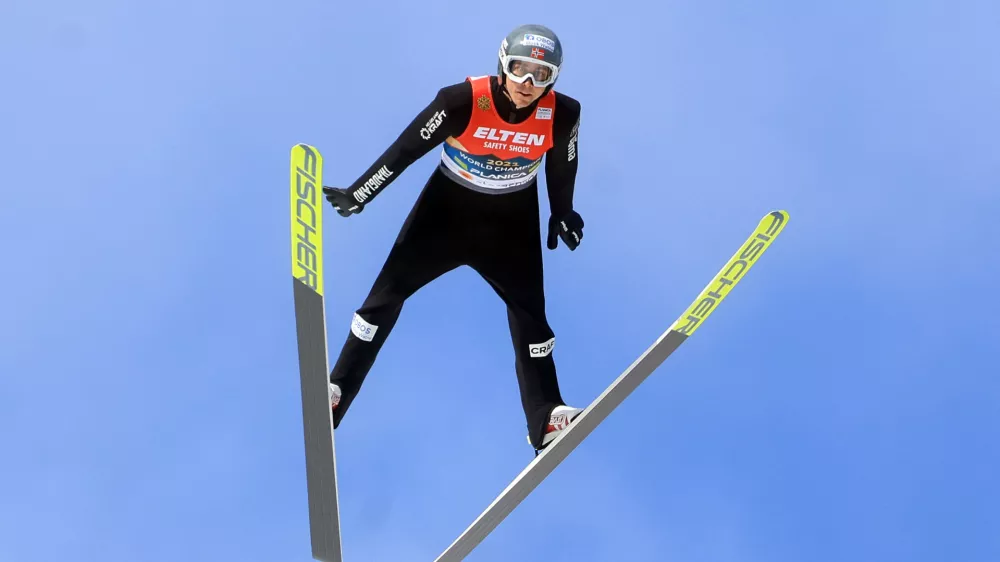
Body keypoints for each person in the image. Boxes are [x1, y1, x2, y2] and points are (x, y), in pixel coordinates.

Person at [322, 23, 584, 452]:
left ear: (553, 79)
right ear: (503, 63)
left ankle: (546, 418)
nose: (527, 83)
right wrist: (360, 193)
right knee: (384, 299)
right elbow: (406, 149)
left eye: (541, 74)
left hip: (511, 221)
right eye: (520, 69)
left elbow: (562, 163)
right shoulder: (461, 101)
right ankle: (335, 393)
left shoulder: (563, 113)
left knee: (531, 319)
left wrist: (562, 211)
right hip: (446, 213)